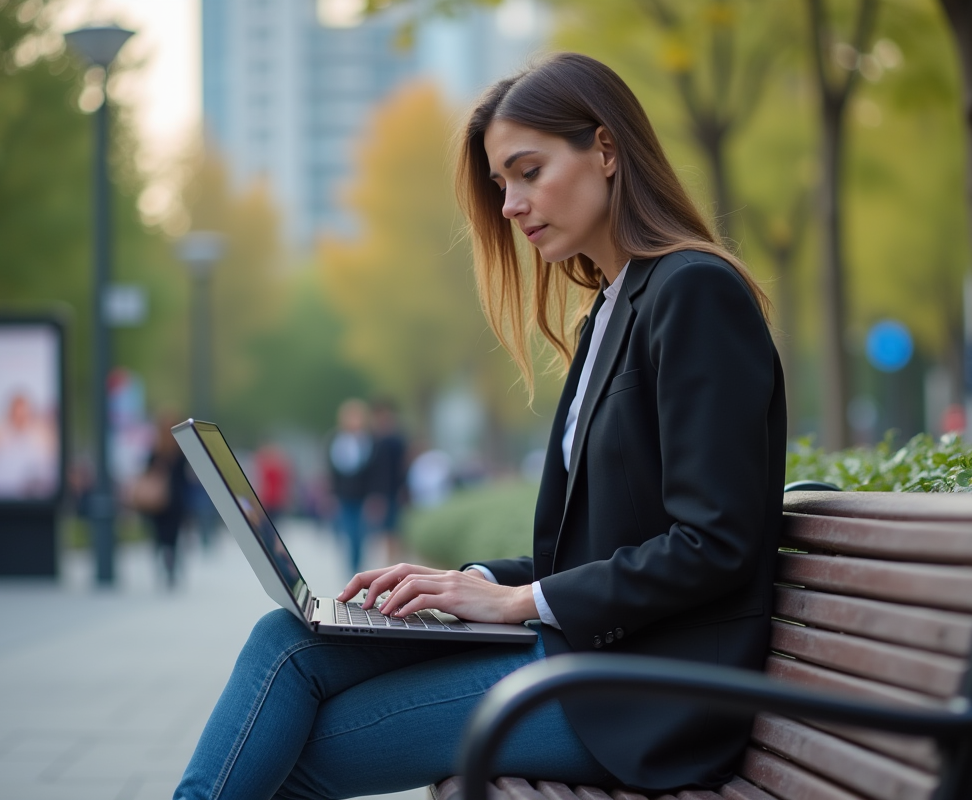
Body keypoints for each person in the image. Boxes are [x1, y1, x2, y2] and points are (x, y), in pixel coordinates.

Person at [174, 52, 785, 800]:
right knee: (289, 640)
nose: (510, 205)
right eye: (502, 185)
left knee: (290, 756)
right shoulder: (613, 308)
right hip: (589, 656)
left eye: (529, 172)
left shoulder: (693, 294)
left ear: (607, 148)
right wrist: (473, 582)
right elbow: (602, 548)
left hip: (645, 697)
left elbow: (713, 543)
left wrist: (519, 603)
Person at [327, 398, 374, 574]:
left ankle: (357, 566)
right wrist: (331, 494)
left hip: (362, 495)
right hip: (344, 495)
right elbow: (332, 470)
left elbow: (373, 471)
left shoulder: (368, 441)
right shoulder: (336, 440)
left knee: (360, 534)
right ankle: (352, 568)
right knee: (348, 531)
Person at [143, 413, 191, 588]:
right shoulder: (179, 452)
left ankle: (164, 568)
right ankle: (170, 570)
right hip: (173, 503)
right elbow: (186, 480)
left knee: (162, 538)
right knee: (172, 539)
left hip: (161, 505)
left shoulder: (156, 452)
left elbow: (147, 473)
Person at [366, 398, 408, 563]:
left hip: (393, 492)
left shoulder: (396, 439)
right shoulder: (372, 440)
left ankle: (392, 564)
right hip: (378, 493)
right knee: (379, 533)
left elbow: (402, 467)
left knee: (393, 532)